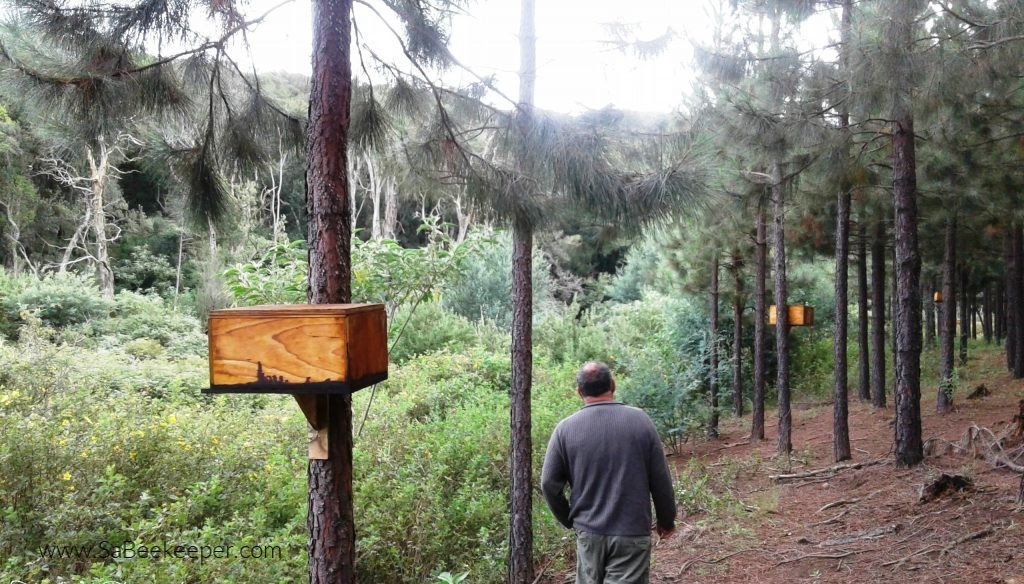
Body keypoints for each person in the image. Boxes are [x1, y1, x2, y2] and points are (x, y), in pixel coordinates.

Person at [541, 361, 676, 584]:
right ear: (612, 385)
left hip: (589, 533)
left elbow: (548, 484)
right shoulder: (640, 421)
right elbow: (660, 479)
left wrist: (570, 520)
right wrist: (666, 520)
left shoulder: (564, 429)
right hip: (632, 531)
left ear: (579, 391)